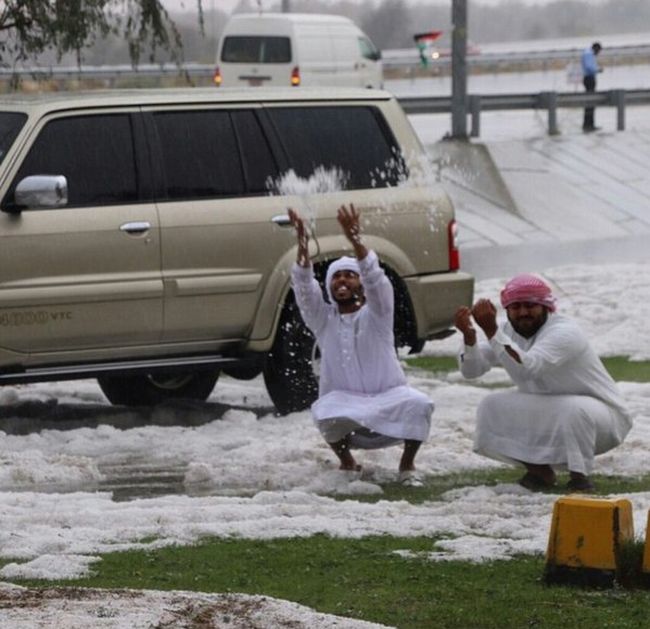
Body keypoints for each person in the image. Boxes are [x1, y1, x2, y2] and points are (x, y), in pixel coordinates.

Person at [288, 204, 433, 485]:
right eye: (336, 277)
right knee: (324, 410)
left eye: (349, 275)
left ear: (360, 285)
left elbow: (376, 279)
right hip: (345, 401)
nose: (342, 281)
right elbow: (304, 287)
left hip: (387, 397)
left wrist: (356, 241)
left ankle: (407, 466)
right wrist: (303, 243)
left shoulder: (378, 313)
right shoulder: (323, 319)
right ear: (330, 287)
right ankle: (348, 463)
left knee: (419, 404)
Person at [454, 273, 631, 492]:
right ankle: (539, 472)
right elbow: (471, 371)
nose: (523, 313)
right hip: (552, 408)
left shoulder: (565, 332)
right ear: (507, 310)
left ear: (546, 307)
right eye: (515, 307)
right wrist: (469, 339)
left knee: (574, 410)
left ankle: (579, 478)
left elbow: (530, 368)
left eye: (530, 306)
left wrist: (491, 331)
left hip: (604, 416)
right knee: (491, 405)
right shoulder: (508, 330)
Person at [581, 41, 602, 132]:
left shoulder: (587, 53)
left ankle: (588, 124)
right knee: (591, 102)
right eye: (598, 51)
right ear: (595, 49)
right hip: (589, 78)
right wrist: (598, 69)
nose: (598, 54)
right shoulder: (589, 54)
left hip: (588, 78)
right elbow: (589, 67)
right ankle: (589, 124)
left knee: (590, 102)